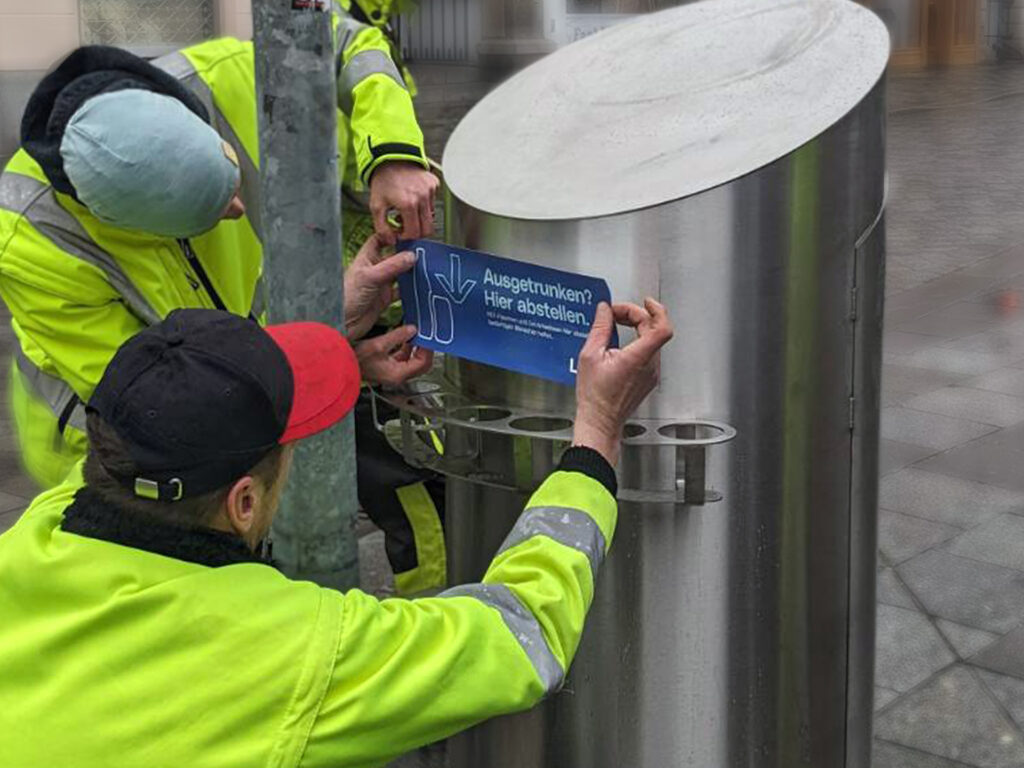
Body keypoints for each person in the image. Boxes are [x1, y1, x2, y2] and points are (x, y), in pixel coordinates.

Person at [0, 296, 673, 766]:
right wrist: (595, 440)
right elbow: (520, 635)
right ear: (242, 503)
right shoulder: (299, 655)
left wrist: (327, 348)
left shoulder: (33, 535)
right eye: (286, 448)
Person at [0, 0, 445, 594]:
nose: (239, 211)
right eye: (210, 216)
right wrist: (329, 348)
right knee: (201, 586)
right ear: (131, 225)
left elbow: (353, 44)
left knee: (393, 477)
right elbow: (176, 407)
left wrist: (391, 153)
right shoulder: (32, 244)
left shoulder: (228, 75)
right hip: (124, 449)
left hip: (254, 361)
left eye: (231, 182)